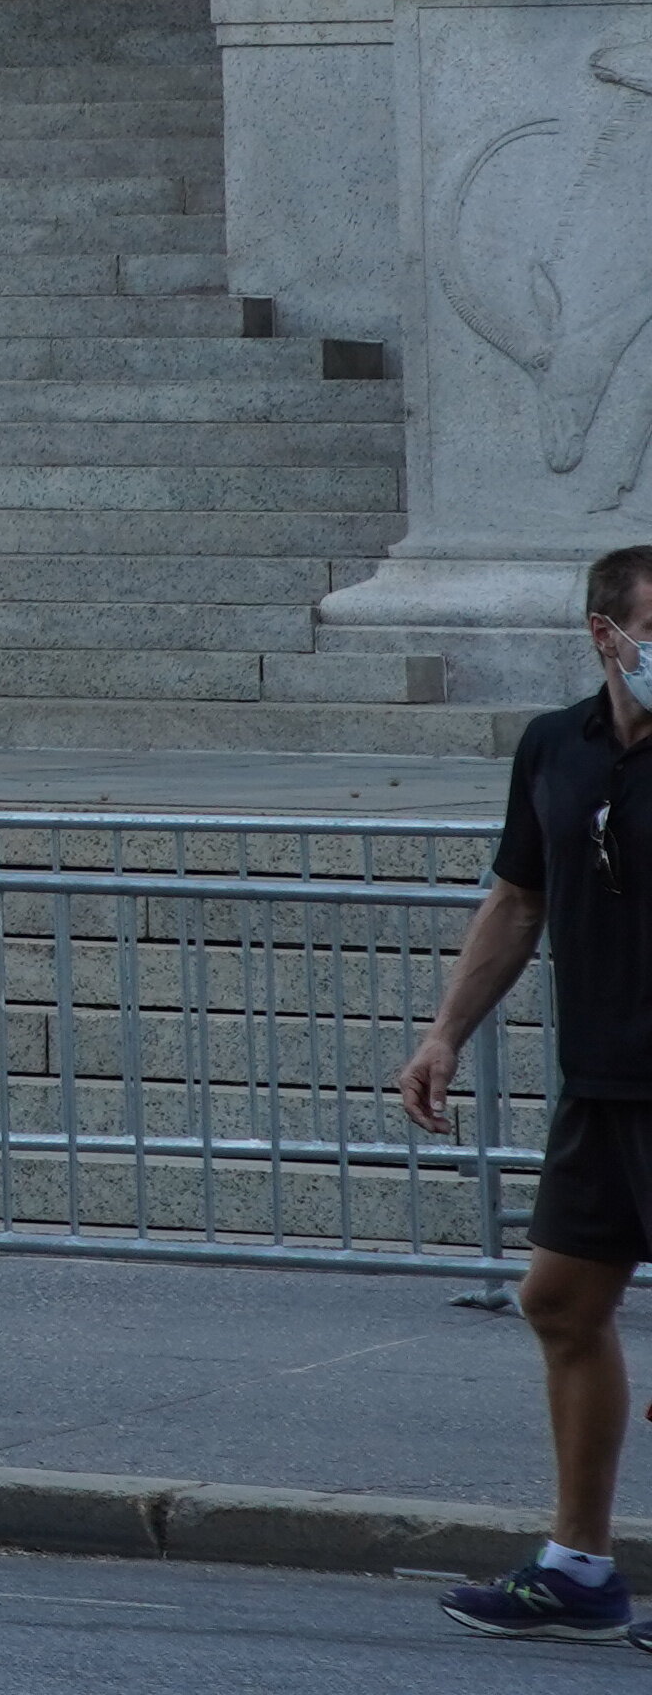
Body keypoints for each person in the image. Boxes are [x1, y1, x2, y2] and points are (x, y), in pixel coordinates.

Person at [400, 545, 652, 1639]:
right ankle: (580, 1564)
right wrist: (445, 1032)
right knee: (557, 1298)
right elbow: (517, 898)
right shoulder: (557, 747)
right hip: (603, 1084)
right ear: (606, 633)